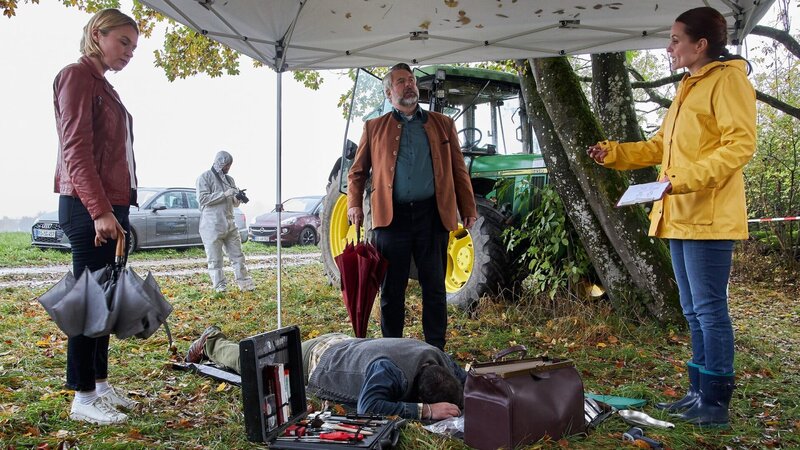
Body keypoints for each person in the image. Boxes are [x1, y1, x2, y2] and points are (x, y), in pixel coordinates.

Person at [587, 7, 756, 428]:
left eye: (676, 39)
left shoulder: (728, 79)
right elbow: (661, 146)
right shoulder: (688, 85)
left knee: (710, 310)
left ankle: (715, 402)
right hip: (678, 213)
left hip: (709, 215)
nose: (669, 47)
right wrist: (615, 153)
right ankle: (697, 393)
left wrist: (679, 180)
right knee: (693, 311)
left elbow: (739, 146)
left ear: (701, 45)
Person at [346, 63, 478, 350]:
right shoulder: (373, 127)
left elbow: (459, 169)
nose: (409, 85)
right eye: (401, 81)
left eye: (411, 80)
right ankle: (393, 350)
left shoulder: (443, 124)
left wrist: (468, 206)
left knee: (435, 287)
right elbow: (357, 172)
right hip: (391, 219)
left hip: (432, 216)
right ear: (388, 92)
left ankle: (435, 350)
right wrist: (354, 204)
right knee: (391, 290)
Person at [53, 8, 141, 425]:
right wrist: (100, 210)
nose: (129, 53)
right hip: (88, 206)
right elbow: (76, 151)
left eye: (133, 47)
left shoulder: (104, 85)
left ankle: (100, 385)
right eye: (123, 42)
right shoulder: (76, 76)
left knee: (104, 298)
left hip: (110, 205)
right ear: (96, 34)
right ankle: (82, 396)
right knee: (89, 301)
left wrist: (116, 208)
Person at [185, 327, 465, 420]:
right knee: (250, 363)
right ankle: (212, 341)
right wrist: (427, 411)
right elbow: (369, 407)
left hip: (345, 343)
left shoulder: (436, 356)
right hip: (318, 358)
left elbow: (466, 378)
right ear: (417, 394)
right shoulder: (389, 373)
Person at [196, 151, 255, 292]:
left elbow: (233, 203)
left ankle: (245, 283)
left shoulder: (229, 180)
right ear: (219, 162)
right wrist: (224, 194)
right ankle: (220, 286)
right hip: (212, 225)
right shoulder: (204, 177)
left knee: (238, 256)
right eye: (226, 164)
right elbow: (202, 199)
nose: (228, 167)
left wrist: (237, 198)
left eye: (230, 165)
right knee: (215, 259)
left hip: (229, 223)